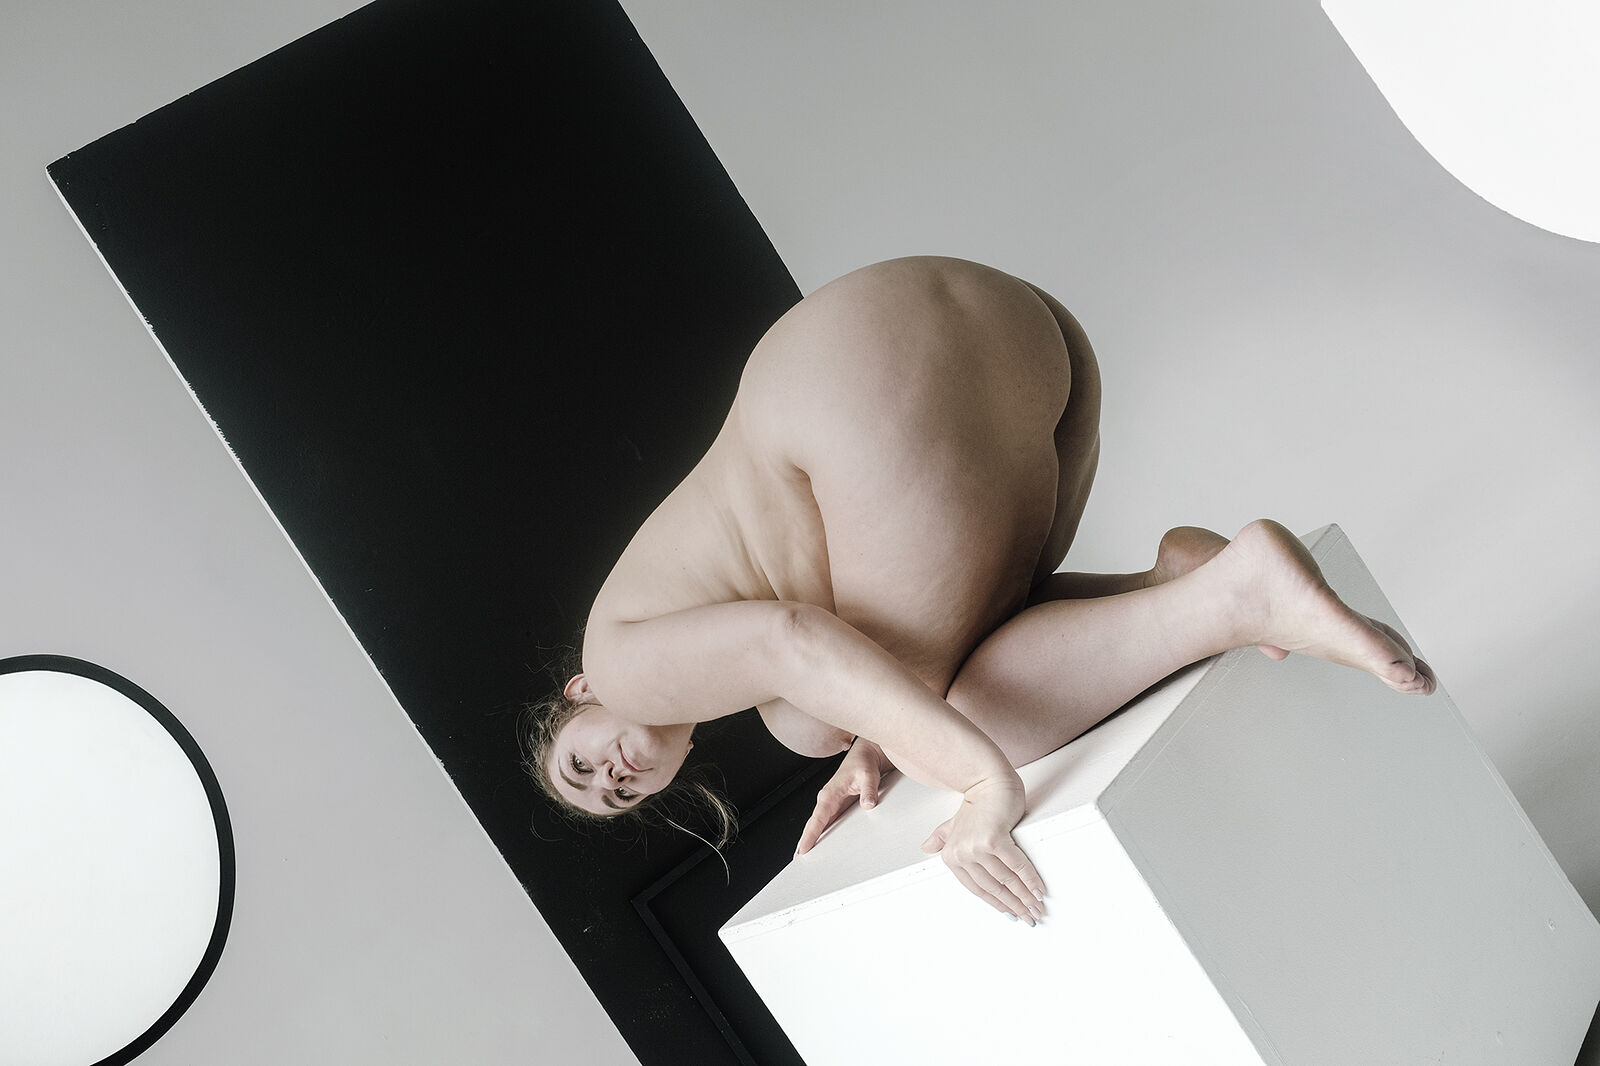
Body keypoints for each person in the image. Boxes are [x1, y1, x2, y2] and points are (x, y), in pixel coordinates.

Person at [527, 256, 1435, 925]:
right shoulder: (686, 625)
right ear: (672, 779)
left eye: (582, 764)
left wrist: (976, 781)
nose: (614, 776)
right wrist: (876, 732)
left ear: (580, 692)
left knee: (940, 733)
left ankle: (1235, 597)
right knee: (878, 701)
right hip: (1013, 328)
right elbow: (839, 644)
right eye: (620, 797)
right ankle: (1171, 580)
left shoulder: (625, 663)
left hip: (857, 380)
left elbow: (793, 640)